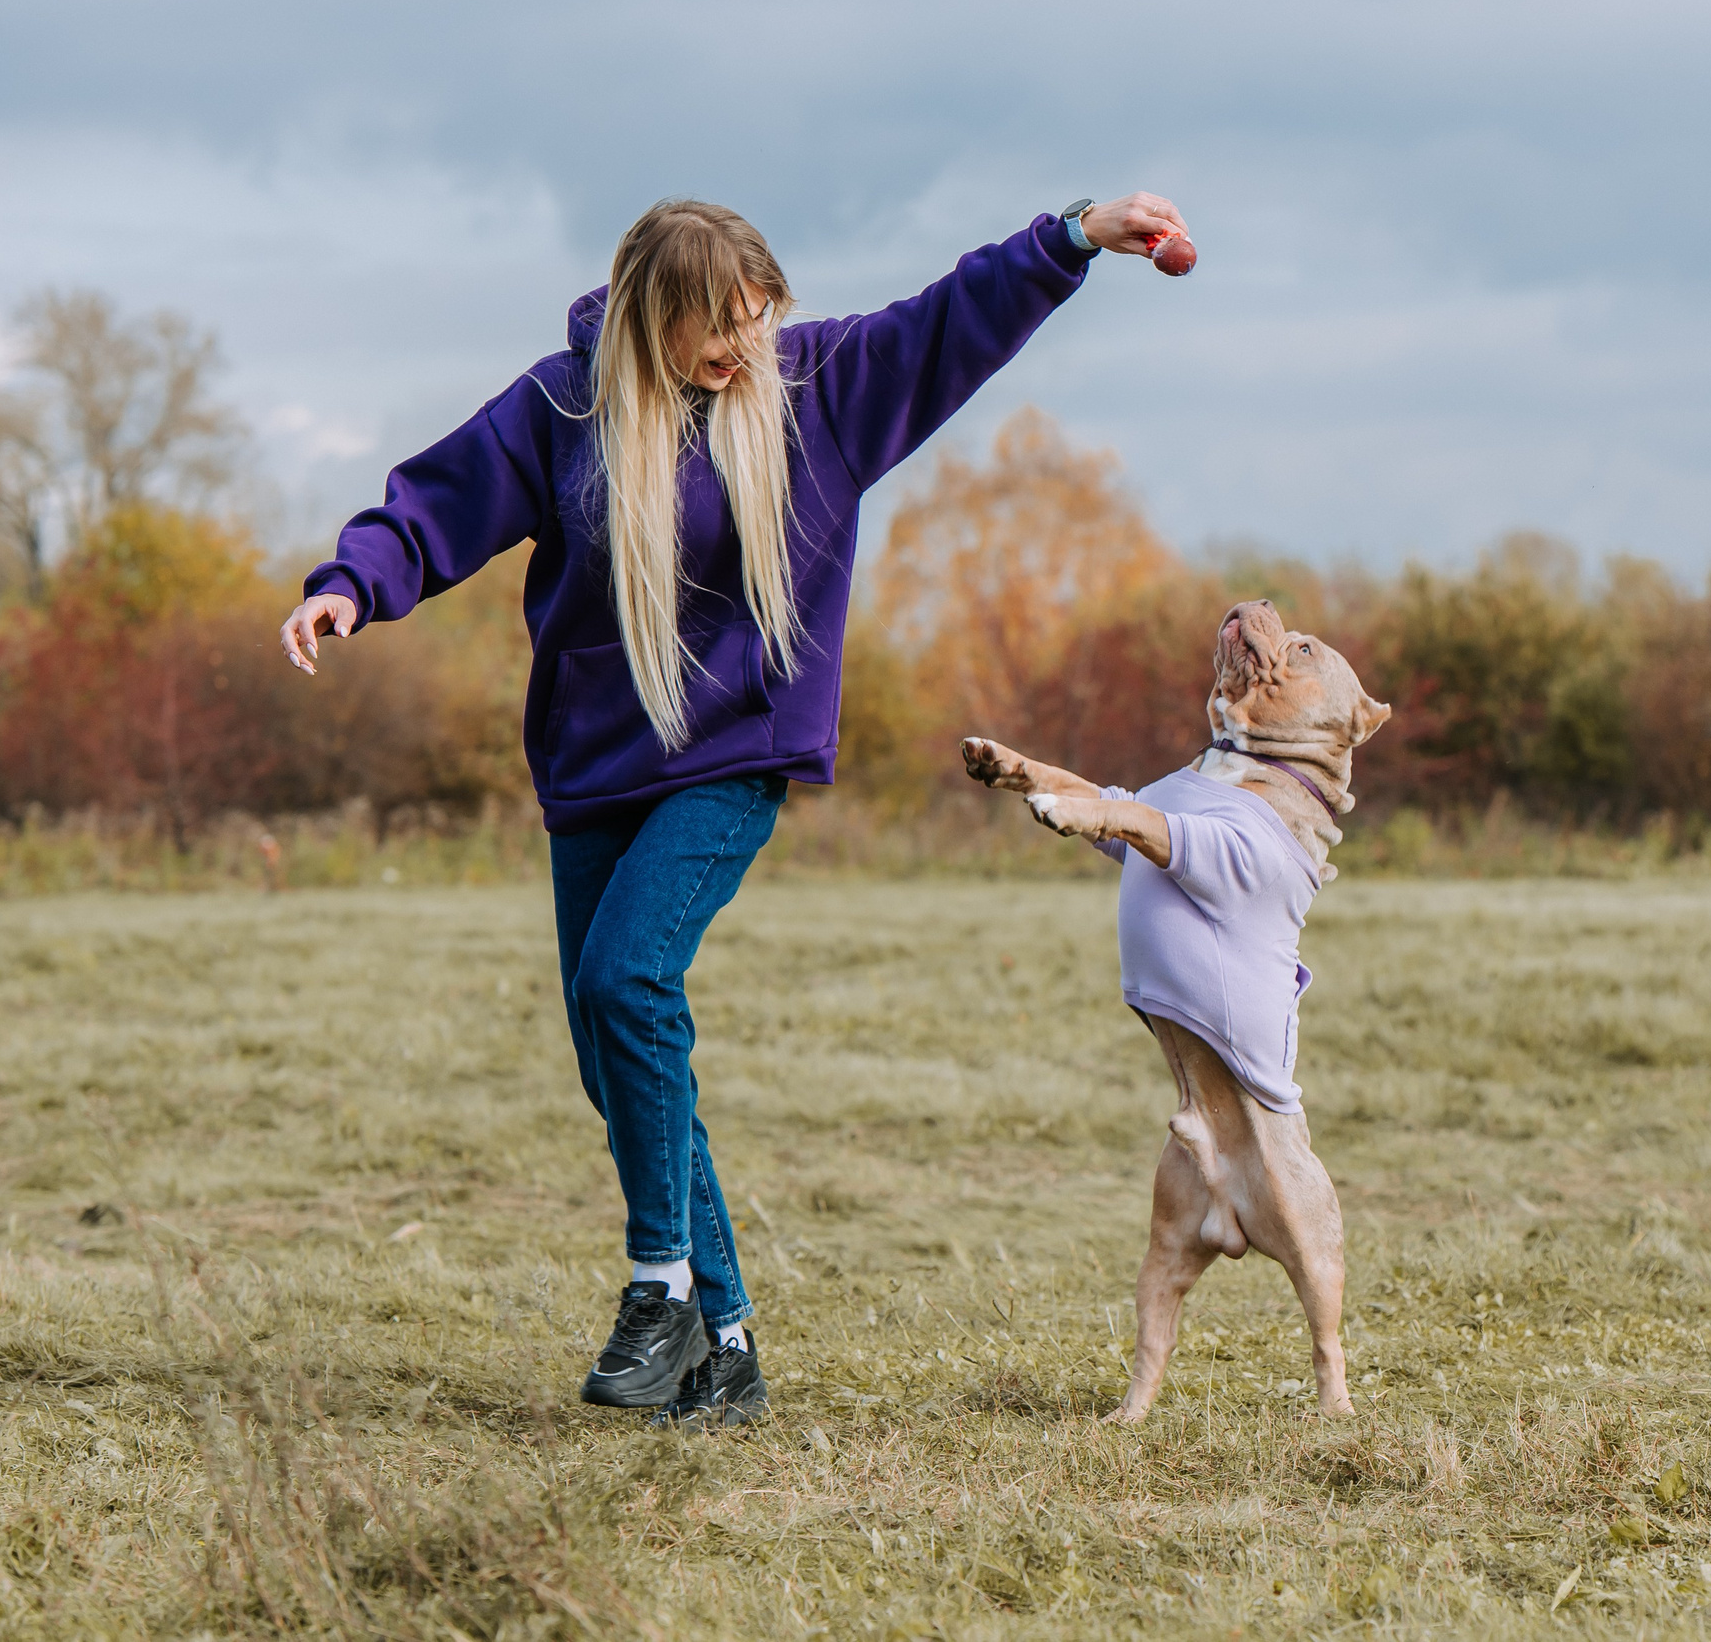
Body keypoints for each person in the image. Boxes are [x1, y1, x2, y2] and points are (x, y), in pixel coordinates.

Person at [277, 192, 1191, 1428]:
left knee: (624, 985)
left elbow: (951, 319)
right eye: (716, 329)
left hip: (735, 756)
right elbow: (438, 505)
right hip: (598, 763)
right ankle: (730, 1349)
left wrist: (1074, 233)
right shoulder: (565, 408)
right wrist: (351, 585)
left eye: (757, 320)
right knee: (621, 1060)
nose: (741, 348)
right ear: (652, 320)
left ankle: (658, 1293)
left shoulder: (819, 391)